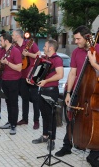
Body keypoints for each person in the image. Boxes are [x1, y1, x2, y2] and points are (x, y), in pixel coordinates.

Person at [54, 25, 99, 167]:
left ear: (87, 38)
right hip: (78, 89)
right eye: (75, 38)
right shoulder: (76, 52)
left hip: (93, 91)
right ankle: (67, 145)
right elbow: (73, 73)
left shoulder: (97, 49)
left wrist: (94, 63)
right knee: (70, 117)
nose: (75, 41)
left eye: (78, 38)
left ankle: (93, 151)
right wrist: (68, 92)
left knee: (93, 121)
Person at [31, 39, 63, 151]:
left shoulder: (57, 59)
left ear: (51, 48)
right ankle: (45, 136)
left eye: (45, 46)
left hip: (51, 90)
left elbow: (60, 75)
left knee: (51, 116)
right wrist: (32, 78)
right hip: (42, 90)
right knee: (44, 114)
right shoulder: (45, 59)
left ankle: (52, 140)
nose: (43, 47)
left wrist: (46, 81)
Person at [12, 29, 41, 129]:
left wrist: (28, 54)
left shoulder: (30, 44)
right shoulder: (14, 47)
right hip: (21, 75)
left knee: (35, 98)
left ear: (18, 36)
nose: (12, 37)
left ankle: (36, 120)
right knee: (24, 98)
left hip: (32, 74)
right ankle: (25, 119)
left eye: (13, 35)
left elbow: (39, 55)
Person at [0, 33, 22, 135]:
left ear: (6, 41)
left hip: (14, 81)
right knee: (8, 102)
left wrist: (7, 63)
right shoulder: (4, 51)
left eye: (1, 40)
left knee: (13, 103)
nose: (0, 42)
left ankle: (14, 125)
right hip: (5, 80)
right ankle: (9, 121)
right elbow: (1, 62)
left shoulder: (15, 51)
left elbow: (19, 67)